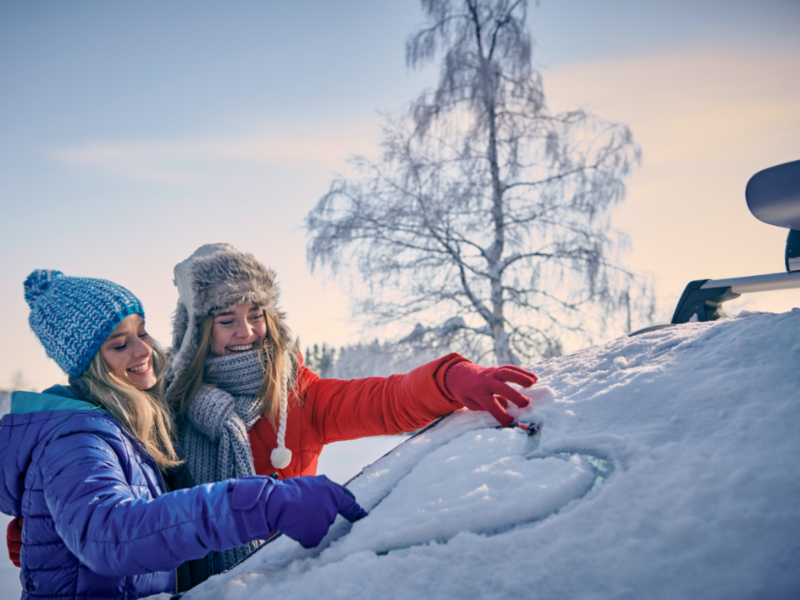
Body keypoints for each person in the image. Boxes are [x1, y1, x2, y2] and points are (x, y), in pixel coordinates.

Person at [165, 243, 538, 575]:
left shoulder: (298, 395)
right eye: (226, 320)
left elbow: (386, 400)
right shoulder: (166, 406)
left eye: (256, 314)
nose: (246, 331)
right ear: (196, 333)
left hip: (279, 581)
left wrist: (448, 378)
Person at [0, 269, 367, 600]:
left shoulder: (124, 423)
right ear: (88, 365)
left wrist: (46, 528)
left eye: (141, 331)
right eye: (118, 344)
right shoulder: (77, 437)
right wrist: (264, 504)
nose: (144, 349)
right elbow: (112, 532)